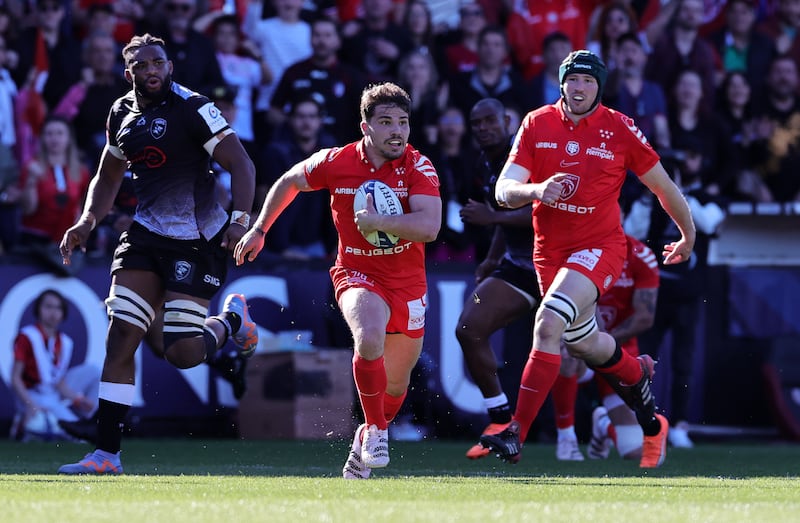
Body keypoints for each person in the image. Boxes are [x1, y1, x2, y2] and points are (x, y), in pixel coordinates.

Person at [478, 50, 695, 469]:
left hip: (601, 247)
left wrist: (688, 234)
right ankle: (646, 399)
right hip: (550, 252)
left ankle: (514, 432)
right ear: (561, 83)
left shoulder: (619, 127)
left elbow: (664, 186)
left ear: (600, 86)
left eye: (588, 81)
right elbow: (504, 190)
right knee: (584, 342)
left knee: (547, 324)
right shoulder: (536, 122)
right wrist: (536, 190)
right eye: (572, 80)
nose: (579, 88)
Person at [56, 33, 258, 475]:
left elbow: (242, 164)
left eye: (159, 63)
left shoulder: (193, 106)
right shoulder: (120, 113)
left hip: (197, 238)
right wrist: (88, 221)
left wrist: (241, 221)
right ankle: (106, 454)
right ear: (129, 74)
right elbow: (108, 178)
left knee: (181, 353)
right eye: (143, 65)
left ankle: (231, 322)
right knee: (121, 333)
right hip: (145, 234)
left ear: (170, 67)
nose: (152, 70)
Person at [234, 82, 441, 479]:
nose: (397, 131)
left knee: (395, 386)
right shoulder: (337, 161)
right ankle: (379, 431)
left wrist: (381, 222)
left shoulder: (419, 167)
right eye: (386, 122)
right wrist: (260, 229)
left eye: (403, 122)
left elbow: (429, 227)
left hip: (408, 285)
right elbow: (290, 180)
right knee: (368, 337)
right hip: (356, 273)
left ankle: (365, 435)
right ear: (366, 127)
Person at [453, 98, 540, 460]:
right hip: (518, 267)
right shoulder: (483, 162)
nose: (484, 128)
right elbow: (504, 216)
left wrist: (491, 218)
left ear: (508, 120)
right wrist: (491, 258)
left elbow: (543, 212)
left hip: (556, 265)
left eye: (490, 121)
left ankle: (642, 410)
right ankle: (502, 423)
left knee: (585, 354)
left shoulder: (527, 154)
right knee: (468, 328)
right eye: (477, 123)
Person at [557, 232, 660, 461]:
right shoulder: (575, 247)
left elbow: (645, 317)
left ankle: (603, 425)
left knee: (635, 451)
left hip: (618, 348)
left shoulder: (641, 255)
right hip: (578, 339)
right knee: (566, 355)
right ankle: (566, 439)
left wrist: (603, 342)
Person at [10, 289, 100, 442]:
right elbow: (15, 378)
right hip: (33, 394)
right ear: (38, 309)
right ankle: (27, 420)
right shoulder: (27, 336)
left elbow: (58, 381)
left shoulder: (65, 342)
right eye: (48, 307)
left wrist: (78, 399)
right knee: (79, 437)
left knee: (94, 371)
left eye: (58, 308)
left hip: (52, 393)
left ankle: (91, 419)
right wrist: (31, 405)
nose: (53, 312)